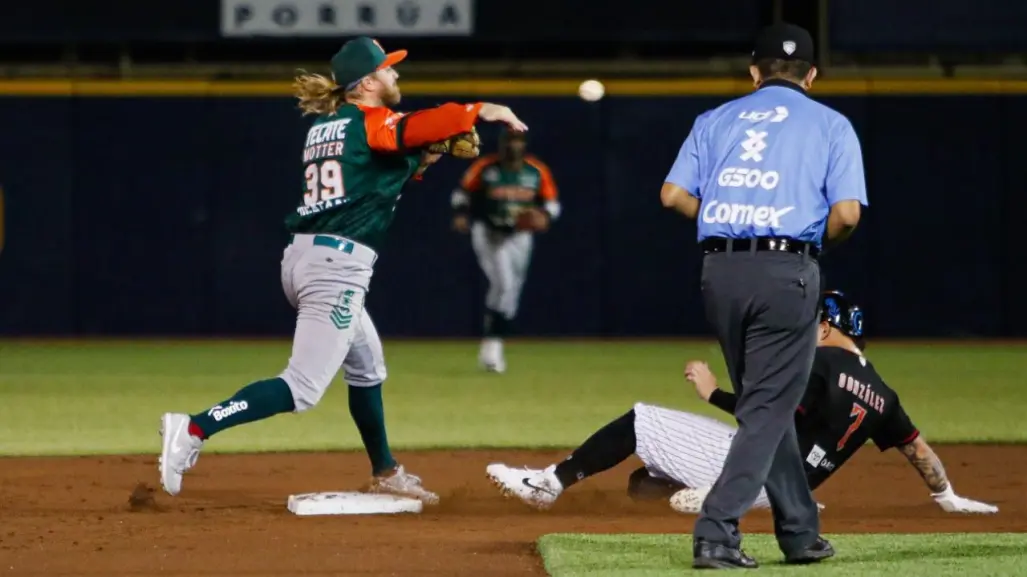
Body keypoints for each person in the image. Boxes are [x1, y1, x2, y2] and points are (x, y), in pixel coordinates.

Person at [157, 36, 527, 504]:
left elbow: (370, 173)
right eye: (389, 70)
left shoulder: (330, 125)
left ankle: (386, 471)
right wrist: (480, 109)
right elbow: (411, 127)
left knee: (367, 367)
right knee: (303, 387)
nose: (396, 76)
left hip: (308, 256)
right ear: (368, 81)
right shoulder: (372, 122)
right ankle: (192, 428)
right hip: (336, 267)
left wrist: (424, 158)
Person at [485, 290, 998, 517]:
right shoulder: (883, 393)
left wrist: (712, 392)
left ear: (825, 327)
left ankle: (548, 485)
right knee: (644, 484)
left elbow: (765, 408)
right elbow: (919, 453)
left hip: (755, 469)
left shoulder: (818, 361)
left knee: (641, 420)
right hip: (789, 493)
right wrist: (948, 497)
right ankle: (698, 494)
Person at [658, 21, 867, 568]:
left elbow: (672, 195)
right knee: (768, 410)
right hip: (786, 272)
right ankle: (716, 531)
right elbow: (846, 214)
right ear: (812, 75)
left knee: (762, 406)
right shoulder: (831, 124)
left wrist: (733, 222)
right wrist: (810, 244)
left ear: (755, 72)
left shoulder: (715, 118)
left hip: (720, 272)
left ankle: (800, 532)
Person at [451, 128, 560, 373]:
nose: (513, 146)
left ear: (524, 145)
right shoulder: (486, 168)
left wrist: (545, 215)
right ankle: (493, 345)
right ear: (501, 144)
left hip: (520, 236)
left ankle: (493, 342)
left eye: (518, 141)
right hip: (490, 232)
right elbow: (461, 194)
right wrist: (461, 214)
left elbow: (552, 204)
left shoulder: (536, 171)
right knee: (504, 284)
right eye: (509, 140)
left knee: (512, 293)